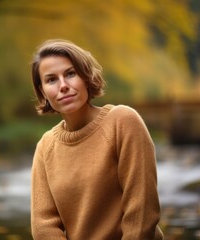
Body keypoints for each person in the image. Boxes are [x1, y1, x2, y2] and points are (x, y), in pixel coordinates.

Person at [30, 39, 164, 240]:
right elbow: (43, 227)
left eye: (70, 74)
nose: (63, 86)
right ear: (43, 92)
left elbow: (142, 210)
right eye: (51, 80)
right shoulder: (46, 146)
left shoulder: (123, 121)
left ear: (86, 77)